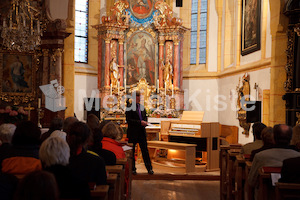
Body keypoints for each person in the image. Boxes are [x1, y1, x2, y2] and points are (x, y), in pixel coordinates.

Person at [248, 124, 300, 189]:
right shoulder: (297, 156)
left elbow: (251, 182)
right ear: (290, 139)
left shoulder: (260, 156)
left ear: (273, 138)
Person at [125, 91, 153, 174]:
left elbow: (144, 117)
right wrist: (140, 122)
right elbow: (129, 120)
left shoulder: (141, 107)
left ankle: (149, 168)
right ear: (134, 97)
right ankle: (133, 169)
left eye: (140, 96)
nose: (140, 98)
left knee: (145, 151)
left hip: (141, 132)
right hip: (133, 132)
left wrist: (145, 122)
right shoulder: (129, 107)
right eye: (138, 96)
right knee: (132, 151)